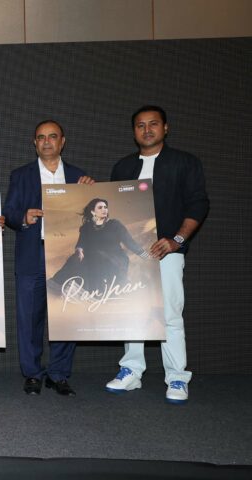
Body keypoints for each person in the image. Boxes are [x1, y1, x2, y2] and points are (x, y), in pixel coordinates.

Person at [104, 106, 209, 405]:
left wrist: (177, 240)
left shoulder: (184, 162)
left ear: (166, 128)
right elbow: (114, 209)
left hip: (166, 253)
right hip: (131, 254)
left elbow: (198, 204)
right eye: (140, 125)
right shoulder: (123, 167)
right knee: (131, 310)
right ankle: (132, 370)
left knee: (170, 315)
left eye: (153, 124)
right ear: (134, 131)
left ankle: (177, 376)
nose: (147, 129)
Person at [3, 120, 94, 397]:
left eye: (52, 136)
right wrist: (23, 217)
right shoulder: (21, 175)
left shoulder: (79, 177)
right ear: (34, 143)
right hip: (33, 253)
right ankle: (33, 374)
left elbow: (93, 213)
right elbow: (9, 212)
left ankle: (58, 374)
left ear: (62, 141)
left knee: (66, 314)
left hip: (69, 254)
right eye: (41, 137)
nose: (46, 141)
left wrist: (92, 190)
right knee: (29, 318)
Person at [49, 198, 149, 294]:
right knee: (75, 258)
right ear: (93, 212)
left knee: (96, 257)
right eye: (100, 207)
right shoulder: (87, 227)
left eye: (105, 207)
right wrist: (79, 251)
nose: (104, 209)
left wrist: (146, 256)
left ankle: (95, 291)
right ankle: (56, 285)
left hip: (115, 259)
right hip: (92, 258)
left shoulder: (115, 224)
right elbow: (80, 243)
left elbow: (130, 242)